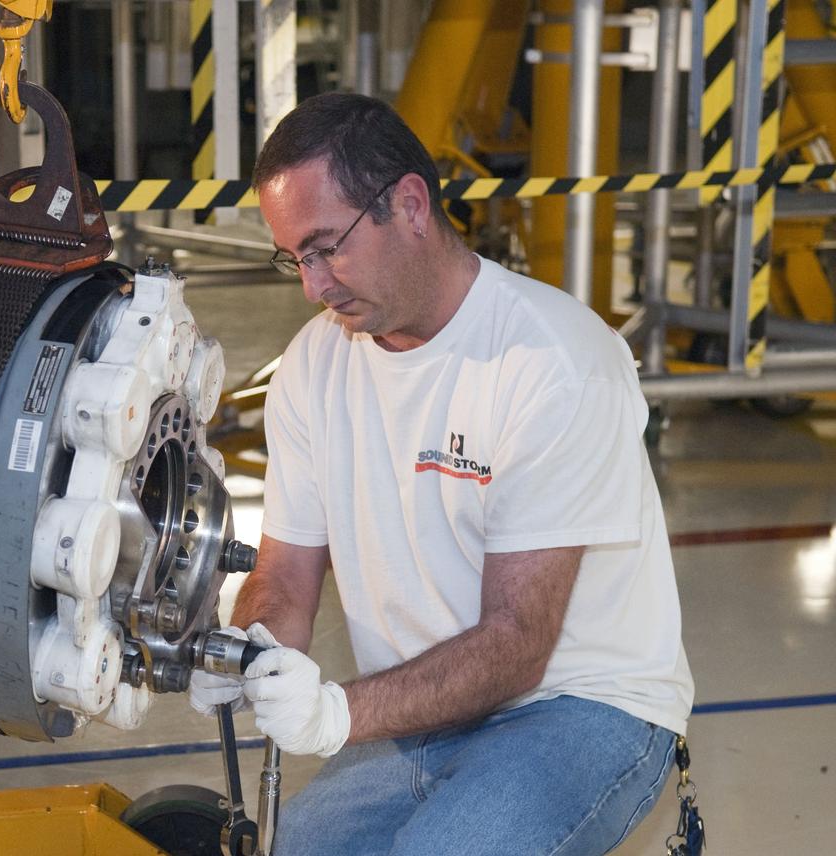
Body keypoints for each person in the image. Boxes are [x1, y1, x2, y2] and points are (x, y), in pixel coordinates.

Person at [188, 93, 694, 855]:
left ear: (411, 204)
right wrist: (251, 648)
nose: (313, 287)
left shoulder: (553, 365)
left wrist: (338, 716)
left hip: (581, 708)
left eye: (327, 248)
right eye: (294, 258)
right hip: (423, 713)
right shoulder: (311, 367)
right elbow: (286, 574)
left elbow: (517, 642)